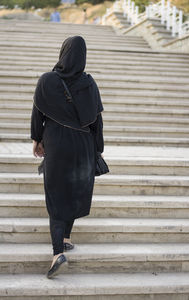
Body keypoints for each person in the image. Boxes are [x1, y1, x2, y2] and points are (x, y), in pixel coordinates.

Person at [30, 36, 104, 279]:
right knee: (74, 190)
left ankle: (57, 252)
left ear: (63, 53)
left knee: (56, 194)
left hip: (57, 142)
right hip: (82, 144)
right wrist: (97, 150)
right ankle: (66, 236)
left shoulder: (48, 80)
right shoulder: (89, 84)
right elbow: (97, 121)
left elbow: (37, 111)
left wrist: (36, 139)